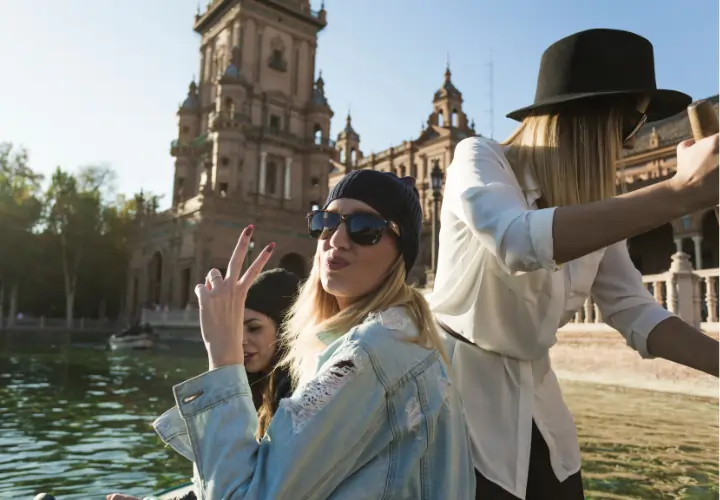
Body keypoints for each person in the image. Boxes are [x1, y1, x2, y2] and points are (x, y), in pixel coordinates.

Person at [427, 29, 719, 500]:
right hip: (456, 411)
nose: (627, 146)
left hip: (545, 412)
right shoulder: (479, 158)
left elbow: (636, 311)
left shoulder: (595, 205)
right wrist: (682, 192)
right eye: (628, 127)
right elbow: (516, 240)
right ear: (581, 120)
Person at [108, 170, 475, 500]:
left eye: (365, 228)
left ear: (401, 251)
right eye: (326, 222)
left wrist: (222, 355)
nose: (337, 240)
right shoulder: (405, 338)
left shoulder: (368, 354)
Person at [243, 268, 300, 438]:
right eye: (233, 328)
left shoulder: (301, 395)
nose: (240, 340)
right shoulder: (250, 386)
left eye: (254, 328)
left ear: (285, 330)